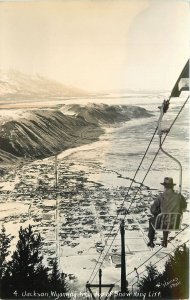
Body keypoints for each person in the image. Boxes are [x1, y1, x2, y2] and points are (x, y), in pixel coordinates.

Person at [147, 177, 187, 248]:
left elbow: (152, 210)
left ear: (164, 186)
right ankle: (165, 240)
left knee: (152, 220)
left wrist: (159, 212)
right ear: (172, 186)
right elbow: (184, 207)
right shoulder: (179, 197)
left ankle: (151, 241)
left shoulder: (161, 197)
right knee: (166, 219)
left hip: (163, 223)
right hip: (174, 223)